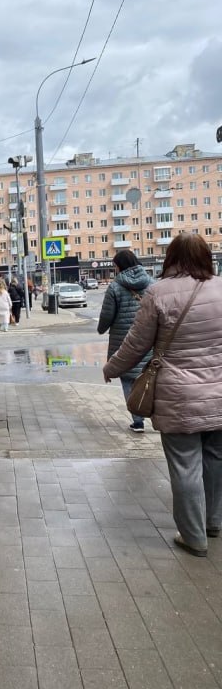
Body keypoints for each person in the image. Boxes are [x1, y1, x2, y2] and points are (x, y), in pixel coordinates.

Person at [103, 233, 222, 558]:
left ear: (170, 257)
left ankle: (194, 537)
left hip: (178, 396)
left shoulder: (159, 293)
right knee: (215, 459)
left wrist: (112, 368)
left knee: (186, 466)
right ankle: (213, 522)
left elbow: (136, 344)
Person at [97, 249, 154, 432]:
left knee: (129, 380)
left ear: (120, 266)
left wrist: (101, 328)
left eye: (115, 266)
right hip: (149, 339)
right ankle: (156, 417)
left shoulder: (115, 286)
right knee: (151, 378)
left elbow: (107, 314)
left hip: (124, 341)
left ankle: (138, 421)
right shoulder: (152, 284)